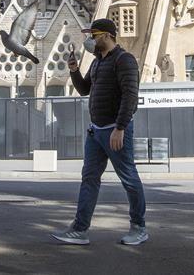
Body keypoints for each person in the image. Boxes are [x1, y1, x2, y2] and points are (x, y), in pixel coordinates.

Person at [51, 18, 147, 246]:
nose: (90, 41)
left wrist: (120, 127)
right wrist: (74, 71)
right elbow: (84, 90)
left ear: (107, 36)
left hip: (115, 130)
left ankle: (139, 227)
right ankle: (79, 230)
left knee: (129, 178)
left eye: (94, 36)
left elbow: (130, 97)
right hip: (95, 132)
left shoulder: (125, 61)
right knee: (89, 179)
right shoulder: (96, 63)